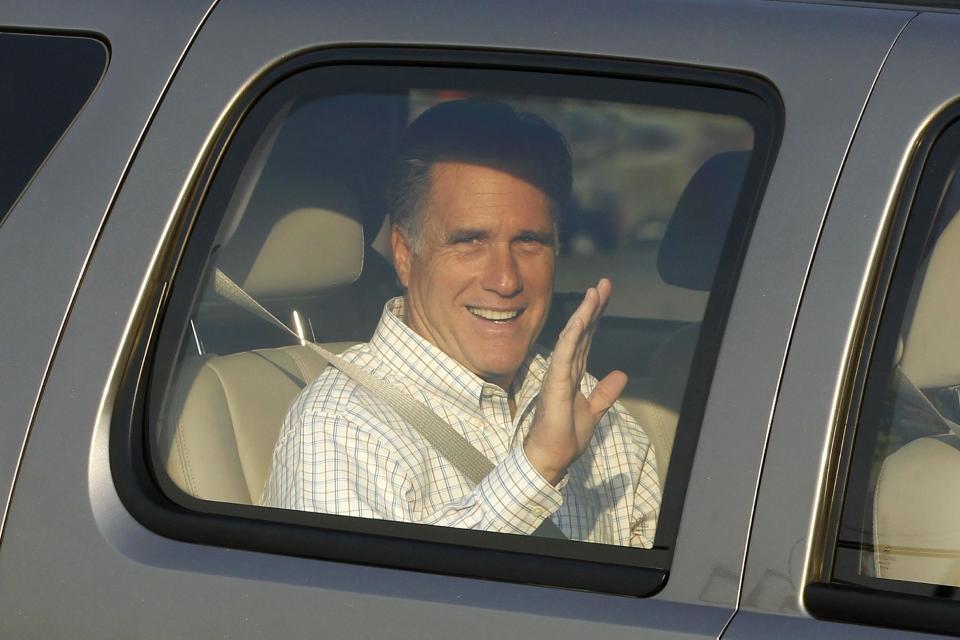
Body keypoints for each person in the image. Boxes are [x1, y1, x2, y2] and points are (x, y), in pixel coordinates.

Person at [261, 98, 660, 547]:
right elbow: (369, 614)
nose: (506, 279)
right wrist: (538, 468)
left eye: (529, 242)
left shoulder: (589, 407)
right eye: (469, 241)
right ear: (404, 255)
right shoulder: (341, 426)